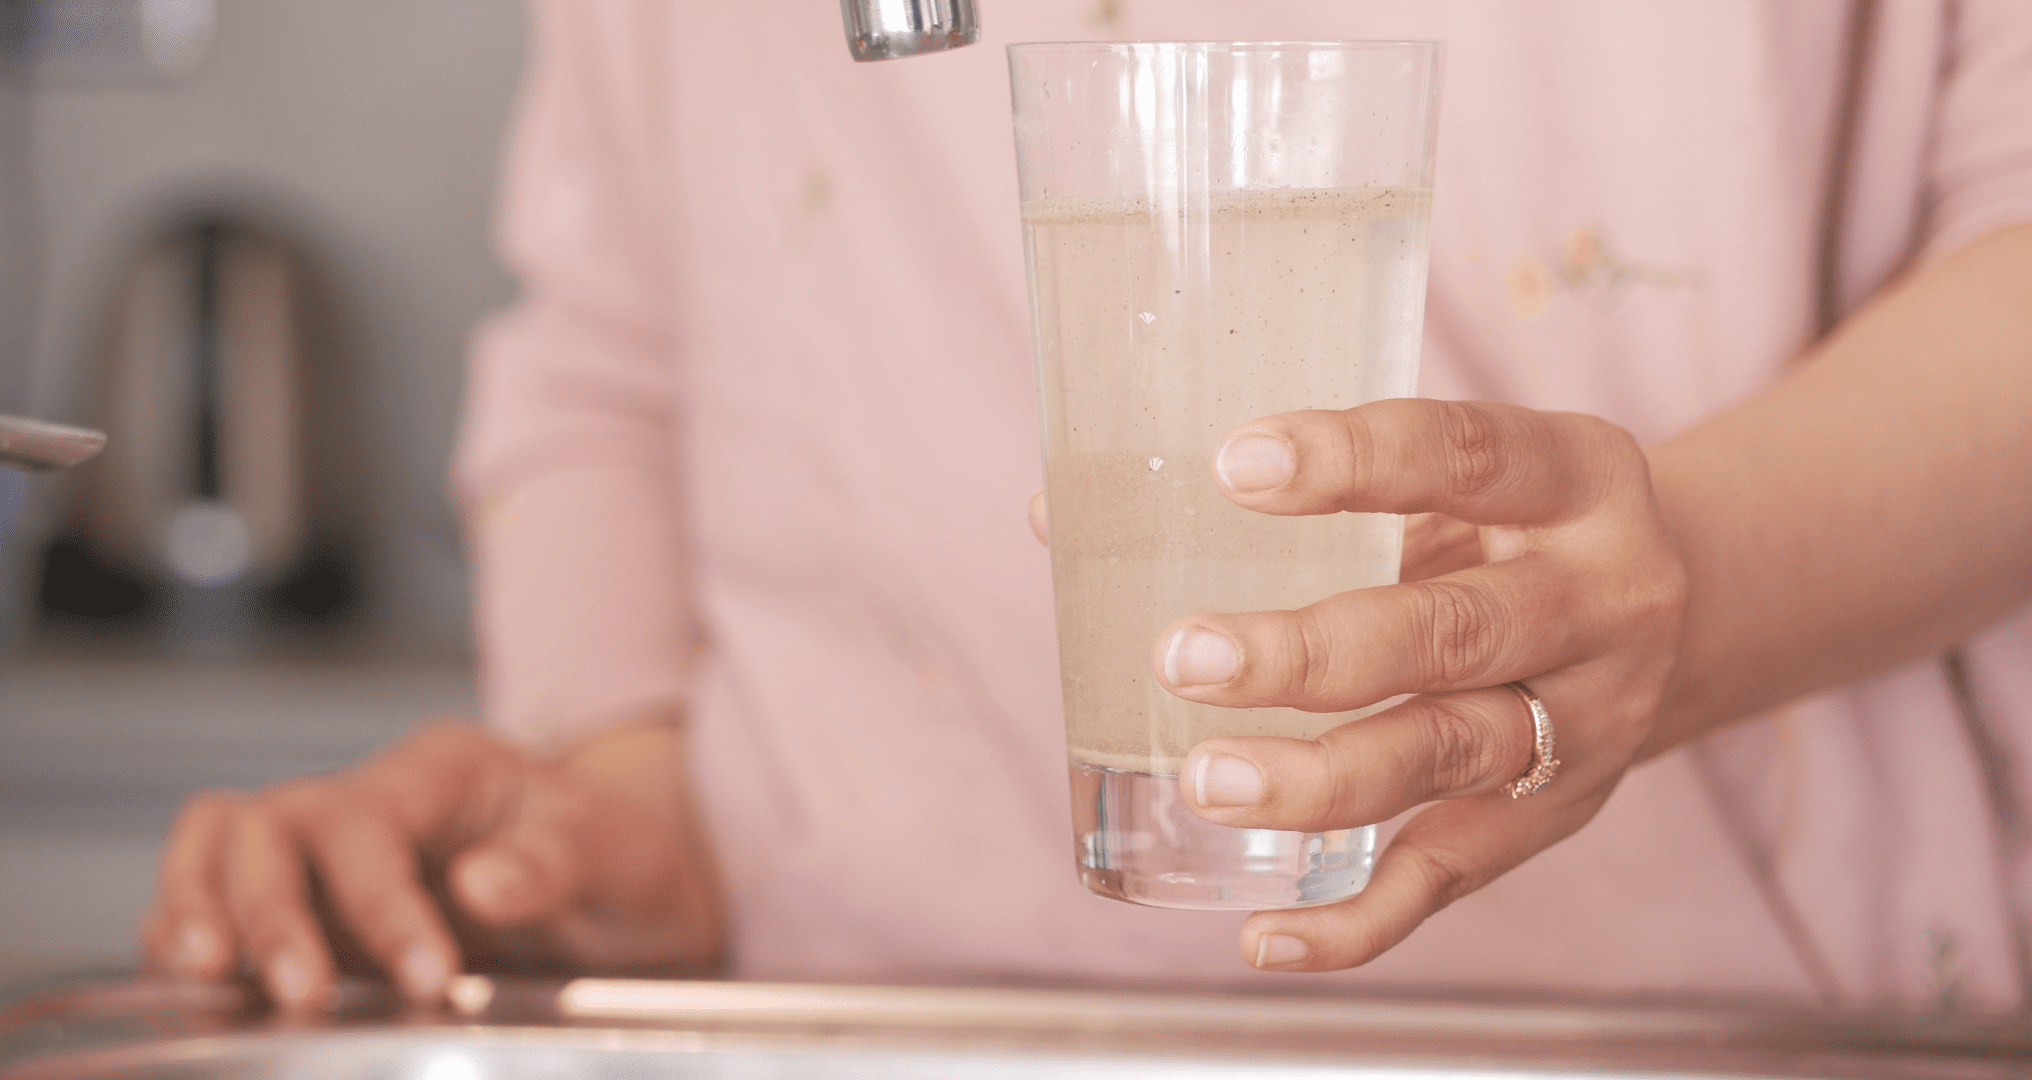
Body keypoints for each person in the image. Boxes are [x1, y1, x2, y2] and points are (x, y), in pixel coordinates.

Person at [142, 0, 2032, 1014]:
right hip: (859, 1014)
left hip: (1708, 1009)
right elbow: (622, 336)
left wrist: (1692, 575)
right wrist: (628, 791)